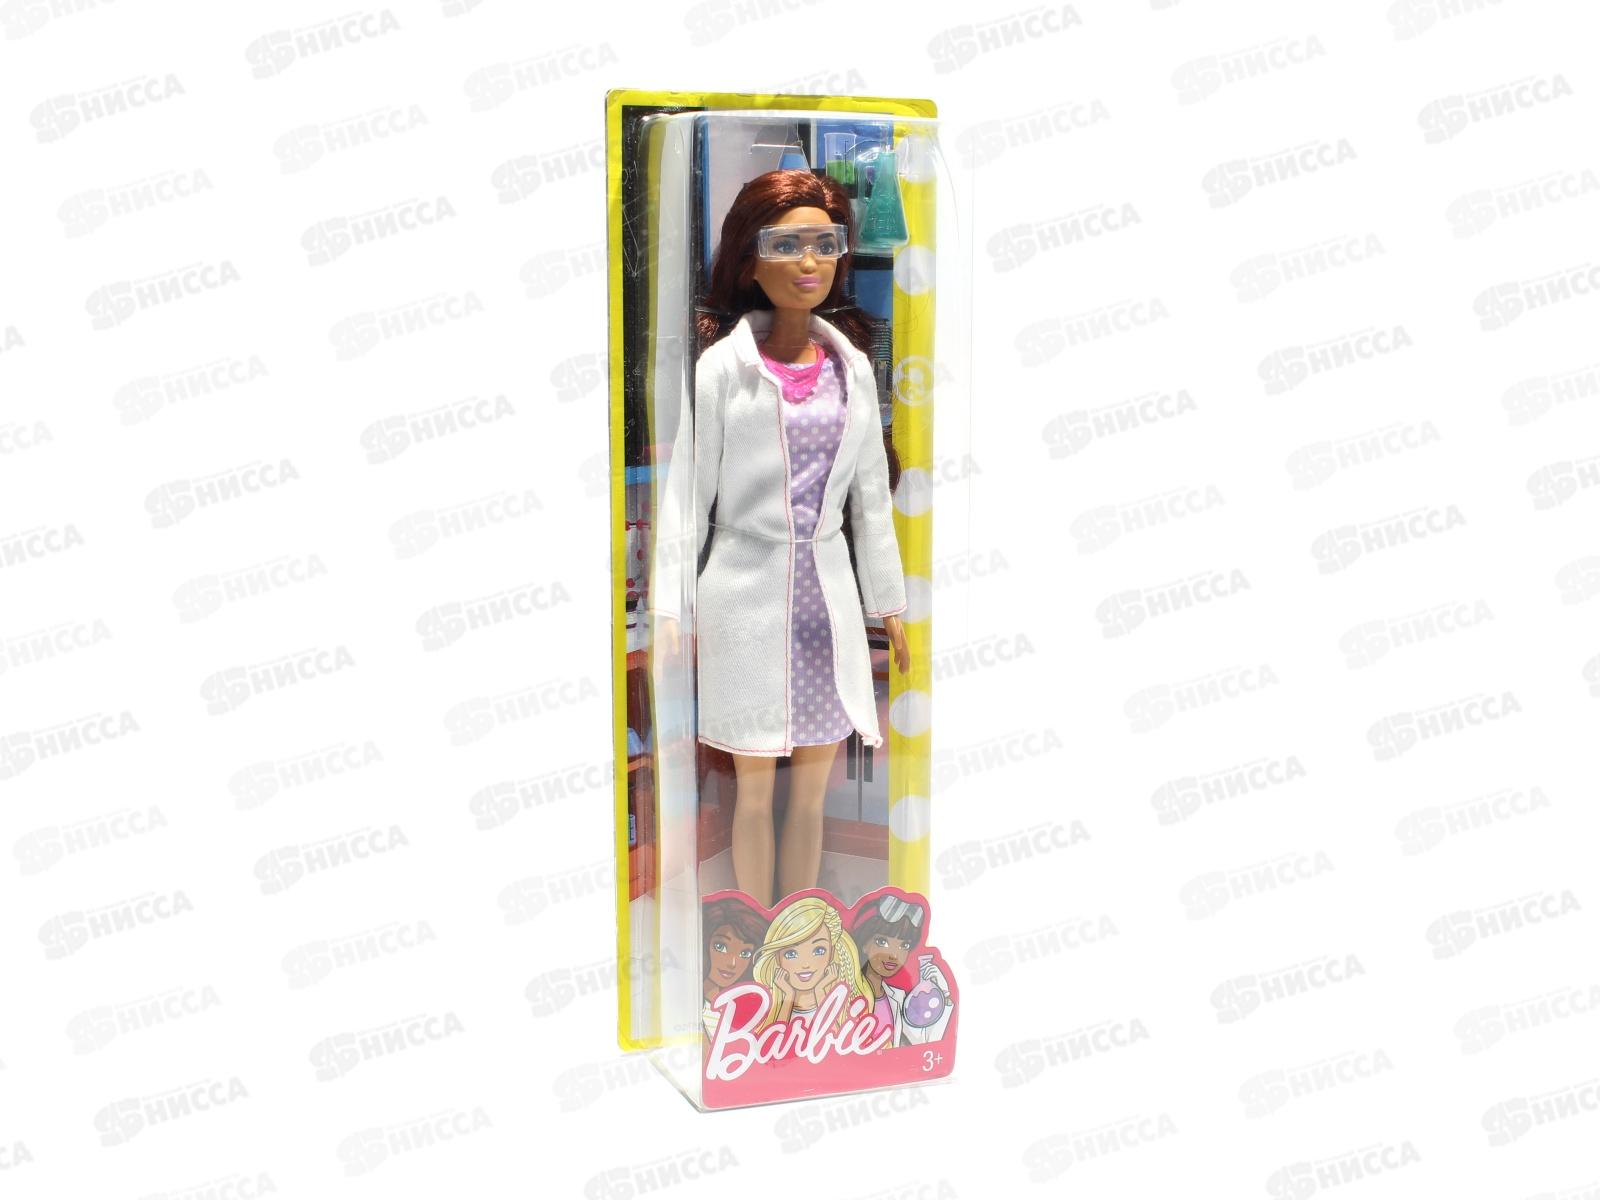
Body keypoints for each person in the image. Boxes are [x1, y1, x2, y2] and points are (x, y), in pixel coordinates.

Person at [652, 169, 910, 907]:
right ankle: (759, 933)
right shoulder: (722, 371)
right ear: (750, 258)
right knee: (755, 792)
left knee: (810, 796)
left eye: (825, 244)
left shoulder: (850, 369)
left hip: (825, 607)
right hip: (744, 596)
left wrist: (889, 604)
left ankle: (803, 932)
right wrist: (669, 606)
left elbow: (870, 502)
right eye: (787, 245)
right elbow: (687, 495)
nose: (809, 262)